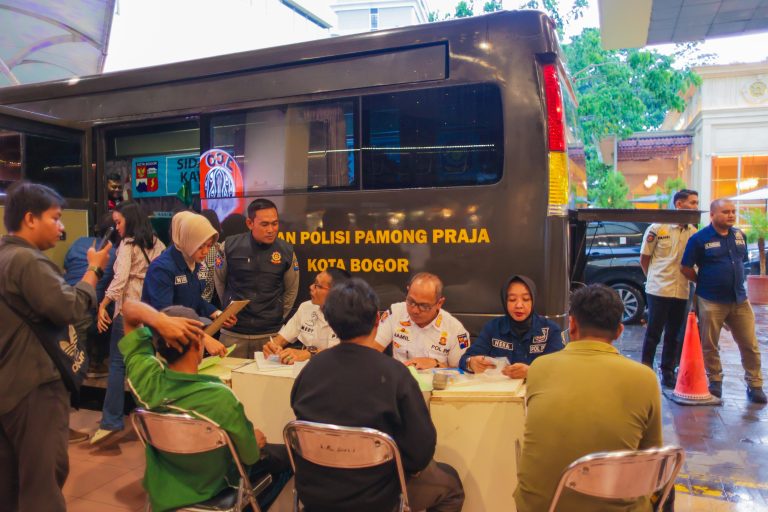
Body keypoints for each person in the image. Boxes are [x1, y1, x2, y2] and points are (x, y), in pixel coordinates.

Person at [290, 278, 464, 511]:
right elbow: (421, 453)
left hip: (315, 494)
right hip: (377, 496)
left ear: (330, 322)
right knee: (451, 486)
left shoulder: (309, 370)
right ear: (376, 321)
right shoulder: (396, 375)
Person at [0, 181, 112, 512]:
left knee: (9, 484)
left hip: (8, 385)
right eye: (56, 218)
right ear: (31, 218)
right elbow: (69, 308)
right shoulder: (28, 261)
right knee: (42, 484)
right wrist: (93, 270)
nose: (62, 228)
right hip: (35, 387)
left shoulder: (4, 257)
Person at [119, 300, 291, 512]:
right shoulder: (219, 397)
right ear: (200, 344)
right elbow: (250, 457)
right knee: (287, 457)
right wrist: (254, 440)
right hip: (215, 490)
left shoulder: (144, 380)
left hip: (162, 495)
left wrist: (158, 321)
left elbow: (129, 309)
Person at [514, 284, 664, 512]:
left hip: (541, 507)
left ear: (572, 325)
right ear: (619, 331)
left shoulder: (539, 368)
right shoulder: (645, 378)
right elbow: (652, 460)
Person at [93, 201, 166, 444]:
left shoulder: (127, 245)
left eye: (118, 222)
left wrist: (103, 304)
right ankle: (152, 419)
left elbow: (120, 279)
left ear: (130, 220)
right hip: (150, 312)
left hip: (127, 313)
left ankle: (111, 421)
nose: (116, 228)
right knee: (146, 366)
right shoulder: (158, 244)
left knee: (117, 365)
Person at [681, 198, 766, 403]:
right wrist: (704, 281)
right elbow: (685, 268)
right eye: (725, 212)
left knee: (749, 344)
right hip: (710, 300)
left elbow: (740, 263)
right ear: (712, 215)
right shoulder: (699, 239)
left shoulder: (739, 235)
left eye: (733, 212)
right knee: (710, 345)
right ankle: (715, 382)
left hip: (739, 299)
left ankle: (755, 385)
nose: (731, 215)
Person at [215, 198, 299, 358]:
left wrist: (276, 314)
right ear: (249, 223)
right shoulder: (229, 246)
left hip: (270, 336)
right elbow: (219, 281)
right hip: (233, 334)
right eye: (265, 224)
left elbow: (291, 289)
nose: (271, 229)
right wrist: (228, 307)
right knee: (229, 381)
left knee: (265, 383)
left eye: (275, 224)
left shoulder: (286, 251)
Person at [640, 188, 699, 388]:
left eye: (696, 203)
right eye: (692, 202)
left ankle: (667, 372)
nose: (695, 207)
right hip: (658, 289)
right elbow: (644, 258)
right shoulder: (657, 228)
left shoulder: (693, 232)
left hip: (682, 290)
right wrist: (653, 278)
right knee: (653, 333)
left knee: (674, 335)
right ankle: (645, 370)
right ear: (679, 204)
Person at [143, 211, 234, 331]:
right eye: (200, 246)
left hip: (187, 332)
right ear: (187, 240)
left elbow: (195, 299)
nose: (206, 251)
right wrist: (202, 337)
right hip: (164, 338)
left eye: (209, 245)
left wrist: (217, 314)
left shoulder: (194, 262)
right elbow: (164, 313)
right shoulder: (162, 268)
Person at [459, 274, 563, 378]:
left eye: (526, 299)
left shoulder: (551, 330)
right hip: (501, 391)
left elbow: (559, 368)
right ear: (505, 301)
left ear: (533, 301)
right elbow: (464, 359)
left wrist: (531, 371)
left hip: (536, 390)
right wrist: (471, 363)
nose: (519, 305)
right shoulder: (493, 328)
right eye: (512, 299)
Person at [375, 272, 470, 369]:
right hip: (400, 381)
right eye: (411, 301)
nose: (415, 310)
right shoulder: (395, 312)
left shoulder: (456, 330)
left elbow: (461, 372)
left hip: (435, 383)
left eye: (424, 306)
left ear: (439, 303)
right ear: (407, 292)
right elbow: (372, 351)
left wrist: (435, 363)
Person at [63, 213, 118, 377]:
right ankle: (96, 362)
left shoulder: (78, 242)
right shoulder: (114, 253)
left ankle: (81, 363)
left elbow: (67, 267)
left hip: (68, 302)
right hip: (89, 310)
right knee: (112, 305)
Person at [263, 268, 351, 364]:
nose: (311, 287)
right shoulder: (306, 307)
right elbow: (282, 339)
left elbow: (346, 355)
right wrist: (273, 346)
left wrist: (309, 353)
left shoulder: (354, 317)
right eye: (314, 283)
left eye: (318, 286)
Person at [198, 209, 223, 304]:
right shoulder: (220, 247)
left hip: (203, 298)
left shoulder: (197, 248)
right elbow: (220, 272)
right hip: (216, 297)